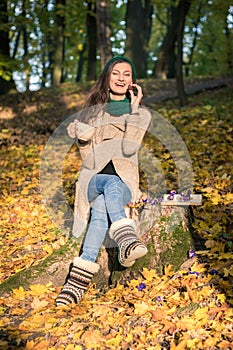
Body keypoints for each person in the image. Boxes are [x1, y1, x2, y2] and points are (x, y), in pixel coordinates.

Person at [55, 56, 152, 306]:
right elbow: (88, 162)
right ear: (107, 78)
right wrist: (84, 140)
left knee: (103, 205)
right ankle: (126, 239)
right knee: (107, 185)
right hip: (93, 181)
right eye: (116, 73)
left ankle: (76, 284)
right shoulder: (93, 114)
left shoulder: (141, 115)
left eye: (126, 74)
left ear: (133, 81)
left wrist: (134, 107)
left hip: (123, 186)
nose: (121, 78)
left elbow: (130, 147)